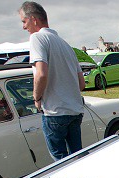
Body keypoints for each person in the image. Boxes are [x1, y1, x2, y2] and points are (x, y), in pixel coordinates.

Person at [19, 1, 86, 160]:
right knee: (78, 158)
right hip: (75, 110)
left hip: (55, 112)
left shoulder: (37, 38)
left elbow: (41, 74)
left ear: (34, 19)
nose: (23, 27)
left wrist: (36, 98)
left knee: (60, 162)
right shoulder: (65, 44)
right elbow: (81, 84)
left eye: (24, 21)